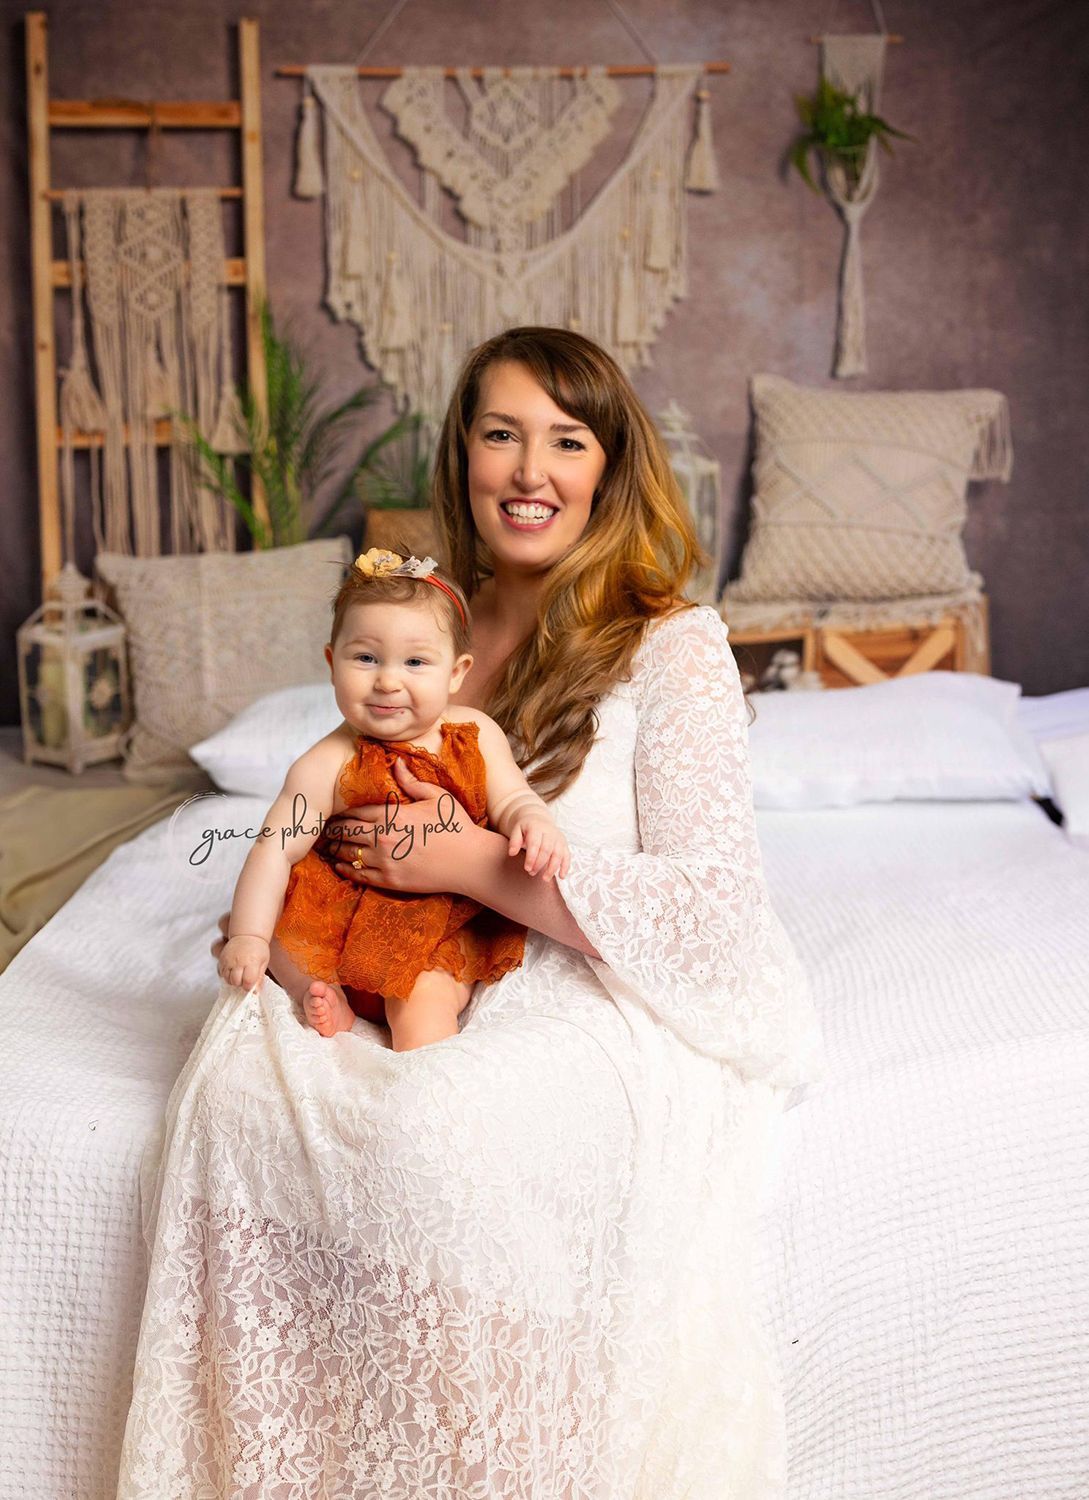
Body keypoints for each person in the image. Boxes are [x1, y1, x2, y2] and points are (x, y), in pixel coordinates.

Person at [115, 325, 824, 1499]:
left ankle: (492, 1459)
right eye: (502, 435)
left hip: (587, 982)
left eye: (567, 440)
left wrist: (465, 862)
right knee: (243, 1091)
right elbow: (330, 795)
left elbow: (713, 915)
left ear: (611, 466)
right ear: (463, 455)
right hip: (399, 961)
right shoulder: (427, 634)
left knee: (425, 1132)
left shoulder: (672, 644)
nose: (531, 470)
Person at [216, 544, 569, 1050]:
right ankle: (320, 994)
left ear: (456, 672)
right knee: (273, 931)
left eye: (415, 661)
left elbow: (512, 797)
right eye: (366, 658)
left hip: (433, 930)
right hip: (338, 929)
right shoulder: (324, 763)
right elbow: (274, 848)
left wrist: (534, 823)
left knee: (424, 996)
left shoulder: (475, 734)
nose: (387, 680)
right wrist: (249, 937)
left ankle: (421, 1073)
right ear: (332, 662)